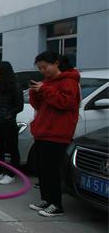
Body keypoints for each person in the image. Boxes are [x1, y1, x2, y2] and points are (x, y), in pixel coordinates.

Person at [28, 52, 80, 217]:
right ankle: (46, 199)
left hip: (57, 133)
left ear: (56, 63)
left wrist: (45, 89)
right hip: (42, 131)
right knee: (42, 169)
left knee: (52, 170)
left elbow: (66, 102)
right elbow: (38, 105)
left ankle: (56, 204)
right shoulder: (47, 82)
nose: (43, 71)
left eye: (45, 67)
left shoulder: (69, 81)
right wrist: (35, 92)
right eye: (40, 68)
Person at [0, 61, 24, 185]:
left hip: (8, 124)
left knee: (12, 149)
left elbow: (19, 106)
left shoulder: (15, 86)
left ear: (3, 71)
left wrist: (7, 115)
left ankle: (11, 174)